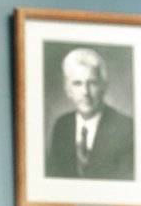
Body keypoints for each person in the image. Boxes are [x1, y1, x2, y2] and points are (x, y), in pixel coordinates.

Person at [46, 47, 134, 180]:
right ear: (68, 90)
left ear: (103, 86)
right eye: (77, 84)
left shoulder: (126, 128)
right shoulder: (62, 126)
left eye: (92, 83)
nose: (85, 92)